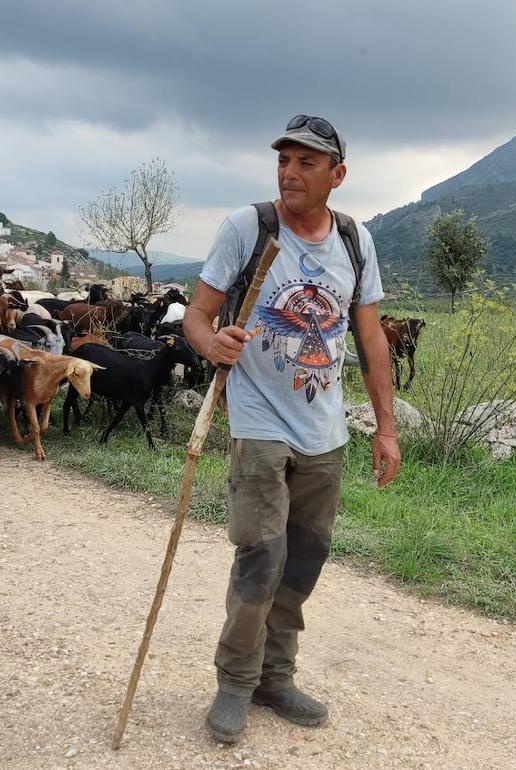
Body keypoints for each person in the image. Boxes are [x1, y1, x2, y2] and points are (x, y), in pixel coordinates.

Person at [183, 115, 402, 743]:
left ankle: (275, 678)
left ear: (337, 175)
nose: (290, 172)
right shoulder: (247, 228)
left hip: (325, 429)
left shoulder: (356, 242)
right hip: (257, 418)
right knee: (263, 554)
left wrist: (385, 428)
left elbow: (370, 340)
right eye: (284, 159)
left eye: (307, 163)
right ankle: (234, 682)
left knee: (304, 559)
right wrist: (212, 342)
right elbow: (197, 317)